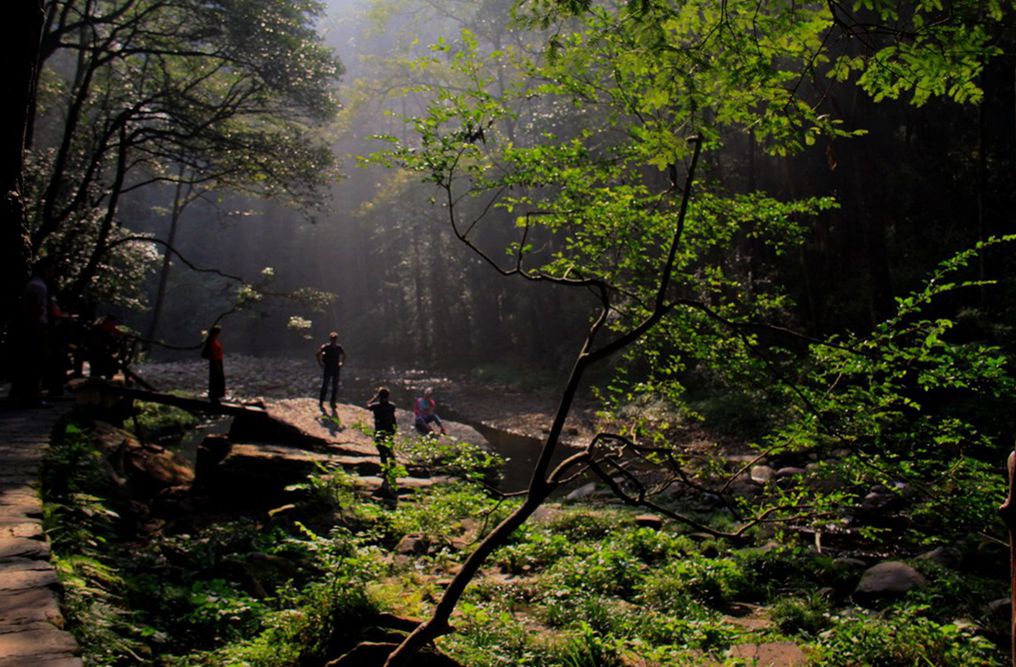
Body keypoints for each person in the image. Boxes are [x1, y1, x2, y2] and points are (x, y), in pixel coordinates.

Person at [10, 257, 55, 406]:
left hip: (31, 327)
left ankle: (25, 394)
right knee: (36, 362)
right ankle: (33, 396)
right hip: (36, 327)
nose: (52, 272)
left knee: (30, 362)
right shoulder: (39, 286)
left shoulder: (33, 285)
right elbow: (35, 309)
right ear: (45, 270)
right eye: (50, 269)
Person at [366, 386, 397, 497]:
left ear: (380, 396)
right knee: (390, 449)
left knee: (382, 451)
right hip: (390, 429)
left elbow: (367, 405)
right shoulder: (392, 406)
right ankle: (393, 469)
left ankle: (385, 471)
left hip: (379, 430)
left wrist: (374, 398)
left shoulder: (376, 406)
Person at [315, 331, 346, 409]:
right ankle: (321, 401)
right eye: (333, 339)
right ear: (330, 339)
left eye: (335, 339)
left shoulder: (339, 348)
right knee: (325, 385)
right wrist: (320, 363)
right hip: (328, 368)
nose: (334, 340)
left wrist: (342, 363)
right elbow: (317, 354)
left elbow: (344, 355)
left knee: (335, 386)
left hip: (336, 368)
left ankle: (332, 403)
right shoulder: (326, 347)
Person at [201, 325, 225, 402]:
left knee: (218, 379)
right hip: (215, 361)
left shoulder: (214, 340)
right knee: (215, 379)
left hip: (218, 361)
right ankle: (214, 395)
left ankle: (216, 395)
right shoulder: (211, 342)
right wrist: (217, 364)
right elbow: (213, 354)